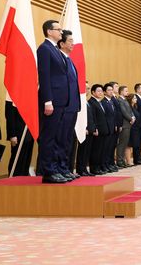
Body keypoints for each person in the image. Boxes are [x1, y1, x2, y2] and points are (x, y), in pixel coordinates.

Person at [37, 20, 69, 184]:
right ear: (49, 32)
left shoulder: (55, 49)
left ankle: (56, 169)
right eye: (59, 29)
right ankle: (48, 172)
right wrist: (47, 100)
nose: (61, 32)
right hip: (52, 101)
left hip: (61, 100)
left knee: (57, 136)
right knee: (48, 137)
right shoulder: (44, 49)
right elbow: (45, 76)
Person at [57, 30, 80, 179]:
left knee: (67, 140)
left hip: (72, 106)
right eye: (70, 41)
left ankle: (65, 168)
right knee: (60, 139)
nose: (73, 43)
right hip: (63, 107)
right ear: (62, 43)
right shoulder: (60, 60)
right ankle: (58, 169)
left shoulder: (70, 60)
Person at [5, 99, 34, 176]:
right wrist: (12, 134)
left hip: (29, 133)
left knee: (26, 160)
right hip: (18, 134)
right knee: (17, 160)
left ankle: (23, 180)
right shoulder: (11, 94)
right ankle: (14, 180)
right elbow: (9, 116)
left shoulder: (28, 95)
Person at [88, 84, 109, 175]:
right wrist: (95, 128)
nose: (101, 93)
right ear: (93, 92)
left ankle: (99, 166)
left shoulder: (99, 102)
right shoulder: (92, 102)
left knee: (101, 150)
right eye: (98, 91)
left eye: (101, 91)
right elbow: (93, 117)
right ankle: (94, 168)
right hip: (97, 130)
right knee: (96, 150)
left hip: (103, 130)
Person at [76, 81, 95, 176]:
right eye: (86, 88)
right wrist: (84, 128)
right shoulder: (80, 100)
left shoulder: (86, 101)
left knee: (87, 151)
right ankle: (80, 169)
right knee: (82, 151)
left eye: (88, 88)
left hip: (90, 129)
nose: (88, 90)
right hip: (83, 130)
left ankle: (84, 169)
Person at [116, 86, 135, 168]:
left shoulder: (125, 100)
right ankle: (119, 160)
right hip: (124, 124)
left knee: (125, 143)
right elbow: (123, 112)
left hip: (128, 124)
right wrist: (131, 118)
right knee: (122, 144)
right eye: (126, 91)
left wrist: (133, 117)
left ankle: (122, 160)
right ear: (121, 92)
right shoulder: (119, 100)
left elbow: (130, 110)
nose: (127, 92)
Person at [101, 83, 118, 172]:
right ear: (104, 92)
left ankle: (109, 163)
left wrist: (115, 125)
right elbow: (105, 117)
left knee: (110, 147)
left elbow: (114, 115)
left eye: (112, 90)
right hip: (107, 128)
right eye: (109, 90)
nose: (111, 92)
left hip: (112, 128)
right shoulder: (103, 102)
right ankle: (104, 165)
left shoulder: (111, 101)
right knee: (105, 148)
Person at [126, 93, 139, 166]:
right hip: (131, 127)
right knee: (129, 144)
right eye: (134, 98)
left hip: (135, 128)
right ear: (130, 99)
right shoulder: (129, 107)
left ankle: (129, 160)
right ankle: (128, 161)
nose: (136, 99)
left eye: (136, 98)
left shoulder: (134, 107)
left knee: (132, 144)